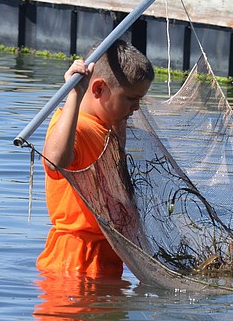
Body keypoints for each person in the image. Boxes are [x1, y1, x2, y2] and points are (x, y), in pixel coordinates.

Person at [37, 39, 154, 277]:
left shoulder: (109, 126)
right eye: (131, 99)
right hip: (74, 262)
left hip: (108, 257)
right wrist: (74, 94)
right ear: (98, 89)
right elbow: (53, 162)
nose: (137, 108)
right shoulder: (76, 127)